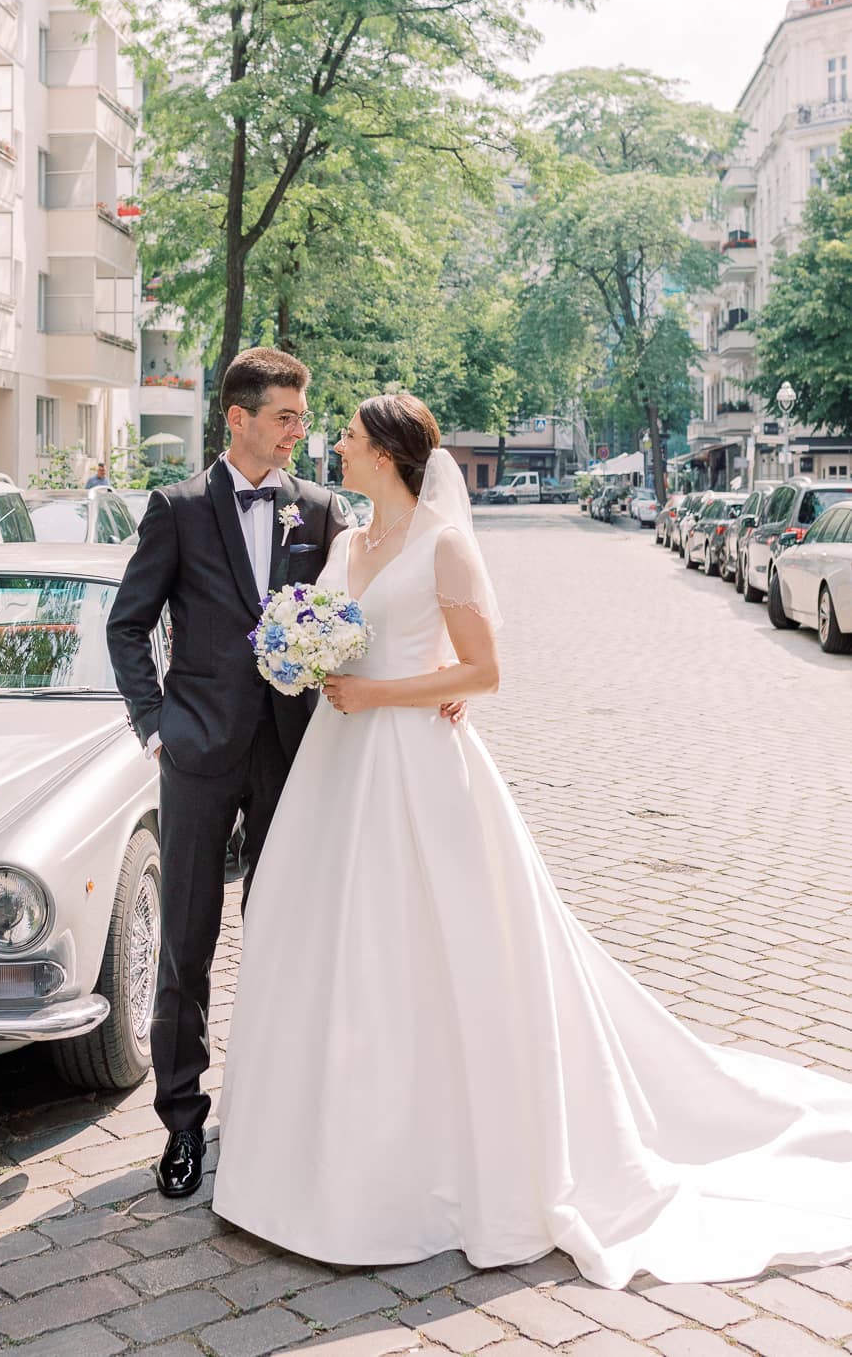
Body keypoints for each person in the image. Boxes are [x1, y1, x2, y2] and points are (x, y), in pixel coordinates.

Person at [213, 393, 852, 1288]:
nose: (338, 448)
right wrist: (307, 659)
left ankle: (446, 1163)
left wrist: (382, 692)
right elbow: (341, 637)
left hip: (417, 761)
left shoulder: (444, 542)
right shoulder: (349, 541)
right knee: (328, 940)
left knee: (443, 947)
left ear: (390, 453)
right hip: (339, 762)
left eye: (351, 439)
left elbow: (484, 668)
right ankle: (318, 1155)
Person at [106, 347, 350, 1200]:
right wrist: (156, 725)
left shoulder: (318, 511)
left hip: (292, 756)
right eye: (285, 416)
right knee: (187, 943)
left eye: (301, 417)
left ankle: (274, 1111)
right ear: (237, 418)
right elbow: (128, 625)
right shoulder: (174, 510)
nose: (299, 431)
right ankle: (180, 1122)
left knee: (285, 934)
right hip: (198, 755)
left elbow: (349, 622)